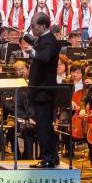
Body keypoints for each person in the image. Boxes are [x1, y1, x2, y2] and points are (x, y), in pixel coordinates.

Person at [24, 12, 62, 168]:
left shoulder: (49, 40)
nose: (32, 28)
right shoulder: (44, 38)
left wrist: (32, 52)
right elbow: (37, 44)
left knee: (43, 127)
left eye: (33, 26)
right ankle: (53, 157)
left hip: (44, 91)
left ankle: (47, 158)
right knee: (46, 126)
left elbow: (45, 57)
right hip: (40, 91)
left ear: (43, 26)